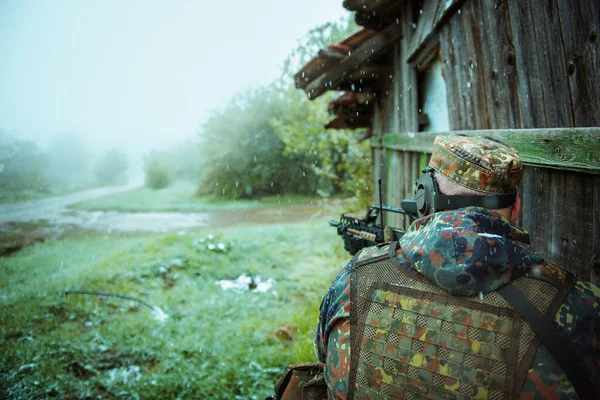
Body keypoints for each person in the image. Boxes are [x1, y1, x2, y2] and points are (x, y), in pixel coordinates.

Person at [315, 135, 599, 399]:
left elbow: (323, 362)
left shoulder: (356, 277)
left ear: (424, 198)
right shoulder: (585, 307)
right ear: (515, 209)